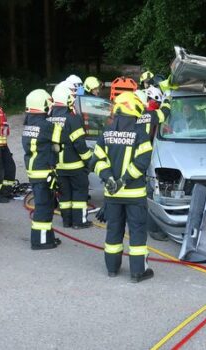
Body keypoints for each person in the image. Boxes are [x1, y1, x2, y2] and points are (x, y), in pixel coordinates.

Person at [93, 91, 154, 282]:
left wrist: (109, 179)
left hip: (112, 195)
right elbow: (142, 163)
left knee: (114, 230)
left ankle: (112, 268)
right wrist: (124, 180)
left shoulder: (107, 134)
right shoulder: (140, 134)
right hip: (134, 195)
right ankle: (138, 272)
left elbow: (97, 160)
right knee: (136, 232)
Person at [48, 82, 93, 229]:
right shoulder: (72, 119)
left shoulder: (48, 119)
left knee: (64, 195)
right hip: (75, 165)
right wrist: (89, 160)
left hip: (58, 166)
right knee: (80, 193)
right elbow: (79, 144)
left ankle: (67, 221)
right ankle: (79, 222)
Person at [22, 89, 62, 249]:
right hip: (43, 171)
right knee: (44, 208)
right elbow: (58, 146)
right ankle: (40, 241)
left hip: (34, 170)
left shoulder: (29, 123)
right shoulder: (47, 126)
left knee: (46, 205)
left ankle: (48, 237)